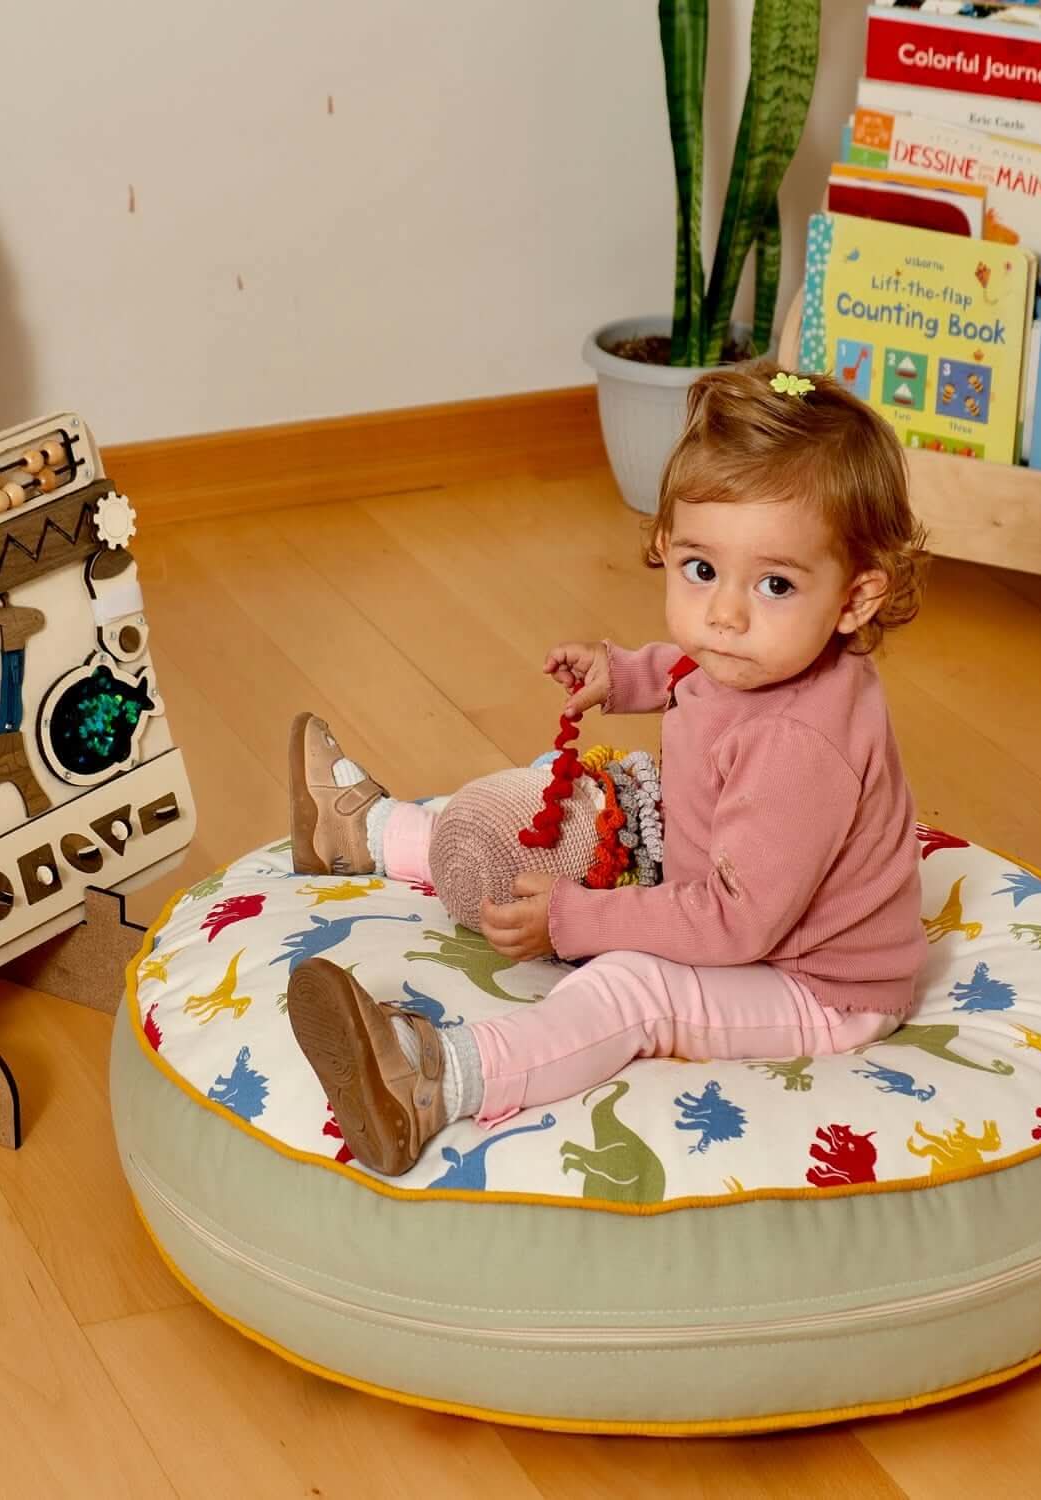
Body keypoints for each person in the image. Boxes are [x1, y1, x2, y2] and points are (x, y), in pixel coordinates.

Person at [283, 362, 929, 1176]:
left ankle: (440, 1078)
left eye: (773, 583)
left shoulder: (803, 752)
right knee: (572, 815)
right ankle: (371, 833)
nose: (724, 614)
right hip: (719, 874)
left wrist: (581, 921)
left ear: (855, 600)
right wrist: (626, 674)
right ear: (668, 548)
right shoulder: (754, 653)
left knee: (633, 987)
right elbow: (701, 668)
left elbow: (737, 924)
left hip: (812, 985)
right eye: (701, 571)